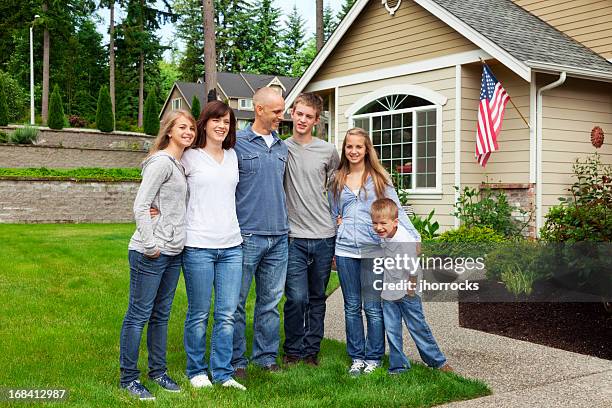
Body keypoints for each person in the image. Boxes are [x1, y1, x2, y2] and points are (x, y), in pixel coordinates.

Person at [329, 127, 419, 376]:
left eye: (359, 146)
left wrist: (414, 239)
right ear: (344, 149)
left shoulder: (379, 179)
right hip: (345, 251)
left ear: (367, 149)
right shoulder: (338, 180)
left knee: (372, 307)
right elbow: (333, 211)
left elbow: (397, 211)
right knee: (351, 307)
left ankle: (374, 357)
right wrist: (339, 228)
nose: (354, 151)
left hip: (373, 252)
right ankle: (356, 357)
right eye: (349, 146)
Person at [119, 110, 196, 400]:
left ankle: (158, 372)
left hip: (173, 251)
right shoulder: (161, 162)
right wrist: (151, 245)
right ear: (169, 131)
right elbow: (141, 205)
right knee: (138, 315)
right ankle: (128, 378)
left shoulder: (179, 164)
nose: (188, 132)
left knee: (161, 316)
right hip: (150, 252)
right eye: (182, 128)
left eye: (191, 128)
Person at [181, 101, 247, 391]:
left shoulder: (233, 156)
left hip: (232, 245)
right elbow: (164, 181)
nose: (222, 125)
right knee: (198, 313)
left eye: (228, 121)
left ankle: (222, 372)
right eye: (217, 120)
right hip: (198, 245)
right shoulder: (189, 157)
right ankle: (196, 371)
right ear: (204, 123)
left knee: (227, 314)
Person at [231, 87, 289, 378]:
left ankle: (266, 356)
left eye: (282, 110)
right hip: (246, 236)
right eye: (277, 111)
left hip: (279, 237)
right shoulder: (236, 143)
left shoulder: (283, 147)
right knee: (236, 302)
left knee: (270, 303)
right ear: (259, 109)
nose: (282, 116)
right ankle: (237, 360)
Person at [282, 93, 340, 366]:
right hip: (293, 237)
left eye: (309, 116)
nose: (303, 120)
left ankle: (310, 351)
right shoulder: (282, 149)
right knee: (296, 297)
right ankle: (292, 349)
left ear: (316, 121)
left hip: (324, 235)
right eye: (299, 113)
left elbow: (338, 188)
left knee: (317, 297)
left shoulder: (328, 151)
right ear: (291, 113)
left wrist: (340, 218)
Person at [370, 198, 452, 374]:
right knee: (392, 330)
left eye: (383, 223)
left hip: (408, 293)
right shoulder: (385, 235)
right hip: (389, 292)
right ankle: (398, 367)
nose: (378, 227)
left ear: (395, 222)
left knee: (417, 327)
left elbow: (414, 270)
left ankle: (438, 362)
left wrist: (410, 290)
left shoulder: (403, 241)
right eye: (375, 223)